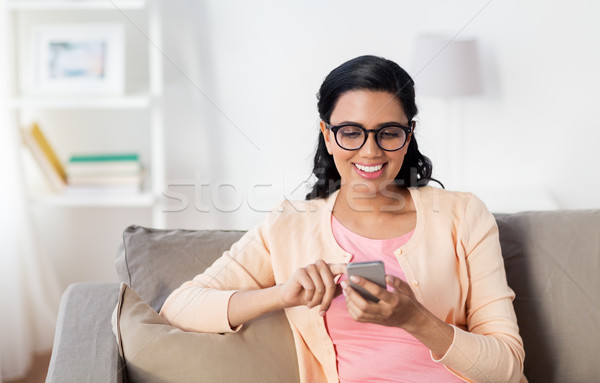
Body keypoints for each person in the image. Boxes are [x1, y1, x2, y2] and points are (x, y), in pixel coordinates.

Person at [159, 55, 525, 383]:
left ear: (408, 135)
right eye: (350, 132)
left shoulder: (463, 215)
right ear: (327, 136)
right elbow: (179, 307)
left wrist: (415, 319)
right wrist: (282, 294)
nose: (370, 151)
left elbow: (507, 368)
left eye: (389, 133)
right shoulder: (289, 225)